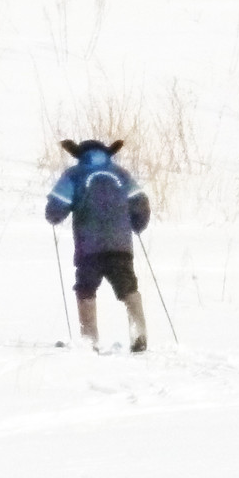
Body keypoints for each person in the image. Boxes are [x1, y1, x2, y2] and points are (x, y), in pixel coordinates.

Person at [45, 139, 152, 352]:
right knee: (128, 287)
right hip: (120, 246)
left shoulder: (74, 175)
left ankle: (90, 340)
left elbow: (57, 207)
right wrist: (138, 224)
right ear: (107, 154)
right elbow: (140, 203)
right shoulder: (121, 174)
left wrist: (53, 216)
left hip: (89, 247)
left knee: (86, 289)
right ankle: (138, 334)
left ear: (79, 155)